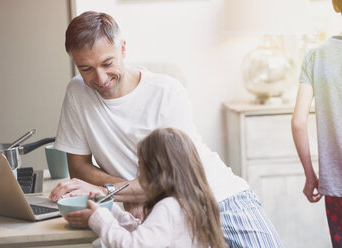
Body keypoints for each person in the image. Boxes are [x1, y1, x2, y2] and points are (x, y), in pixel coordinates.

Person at [50, 10, 282, 247]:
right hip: (166, 212)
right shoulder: (77, 92)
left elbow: (175, 179)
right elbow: (78, 167)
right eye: (86, 69)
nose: (99, 78)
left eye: (107, 63)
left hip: (220, 199)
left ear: (123, 49)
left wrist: (112, 189)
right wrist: (132, 191)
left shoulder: (166, 91)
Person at [65, 128, 227, 247]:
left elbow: (134, 245)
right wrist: (111, 211)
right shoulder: (190, 201)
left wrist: (99, 219)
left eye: (142, 167)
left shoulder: (169, 207)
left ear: (155, 172)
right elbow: (149, 235)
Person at [291, 1, 342, 247]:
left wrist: (311, 175)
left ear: (336, 6)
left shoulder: (315, 56)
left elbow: (299, 122)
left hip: (335, 186)